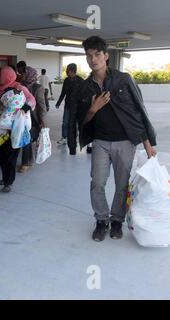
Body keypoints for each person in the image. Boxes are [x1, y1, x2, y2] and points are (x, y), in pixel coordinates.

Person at [69, 36, 157, 242]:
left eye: (97, 54)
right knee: (97, 182)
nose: (93, 59)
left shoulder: (123, 80)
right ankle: (101, 220)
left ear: (106, 56)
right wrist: (93, 108)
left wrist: (148, 144)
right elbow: (81, 120)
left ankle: (117, 220)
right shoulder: (84, 88)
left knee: (121, 184)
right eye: (89, 56)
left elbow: (138, 112)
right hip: (100, 141)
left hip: (125, 142)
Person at [0, 65, 36, 192]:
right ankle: (5, 177)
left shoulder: (19, 88)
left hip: (14, 129)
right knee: (1, 155)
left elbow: (31, 101)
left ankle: (9, 182)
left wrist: (23, 109)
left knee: (11, 156)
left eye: (0, 75)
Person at [17, 66, 47, 173]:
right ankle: (28, 161)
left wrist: (42, 120)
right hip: (22, 116)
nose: (22, 75)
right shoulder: (20, 86)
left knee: (27, 139)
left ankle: (26, 163)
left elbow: (42, 105)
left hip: (33, 118)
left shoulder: (38, 88)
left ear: (30, 74)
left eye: (24, 74)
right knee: (25, 139)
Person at [56, 63, 84, 147]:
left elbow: (83, 94)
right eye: (67, 71)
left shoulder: (81, 81)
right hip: (67, 105)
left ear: (73, 71)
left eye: (68, 71)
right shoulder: (66, 80)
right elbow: (63, 92)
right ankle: (64, 138)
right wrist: (58, 102)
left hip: (77, 106)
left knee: (74, 123)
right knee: (65, 122)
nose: (67, 72)